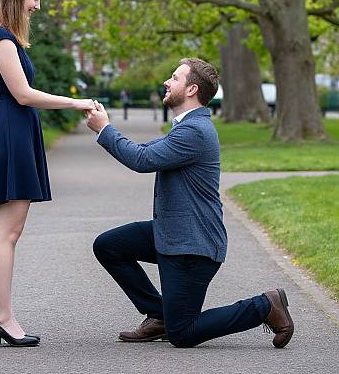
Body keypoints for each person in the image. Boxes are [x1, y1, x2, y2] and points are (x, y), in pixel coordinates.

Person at [85, 58, 294, 349]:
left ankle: (264, 306)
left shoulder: (194, 132)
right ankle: (159, 315)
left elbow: (141, 160)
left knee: (183, 333)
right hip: (174, 233)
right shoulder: (186, 127)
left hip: (193, 247)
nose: (166, 83)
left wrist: (104, 130)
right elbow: (145, 151)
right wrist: (107, 128)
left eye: (174, 78)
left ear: (192, 88)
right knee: (109, 246)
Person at [0, 0, 95, 348]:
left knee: (9, 232)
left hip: (14, 130)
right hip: (11, 132)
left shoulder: (3, 36)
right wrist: (75, 103)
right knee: (5, 233)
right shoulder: (1, 40)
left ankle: (2, 317)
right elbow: (23, 94)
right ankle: (1, 318)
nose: (37, 7)